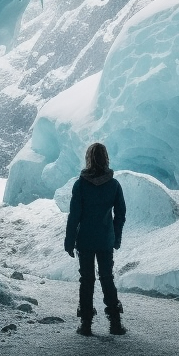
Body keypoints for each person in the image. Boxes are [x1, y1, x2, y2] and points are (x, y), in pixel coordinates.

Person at [64, 142, 128, 336]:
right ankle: (115, 323)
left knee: (87, 280)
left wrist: (69, 240)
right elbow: (121, 214)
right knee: (107, 278)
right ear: (106, 158)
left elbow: (74, 215)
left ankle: (86, 324)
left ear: (89, 158)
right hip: (105, 238)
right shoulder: (114, 184)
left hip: (85, 239)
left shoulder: (81, 184)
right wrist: (116, 237)